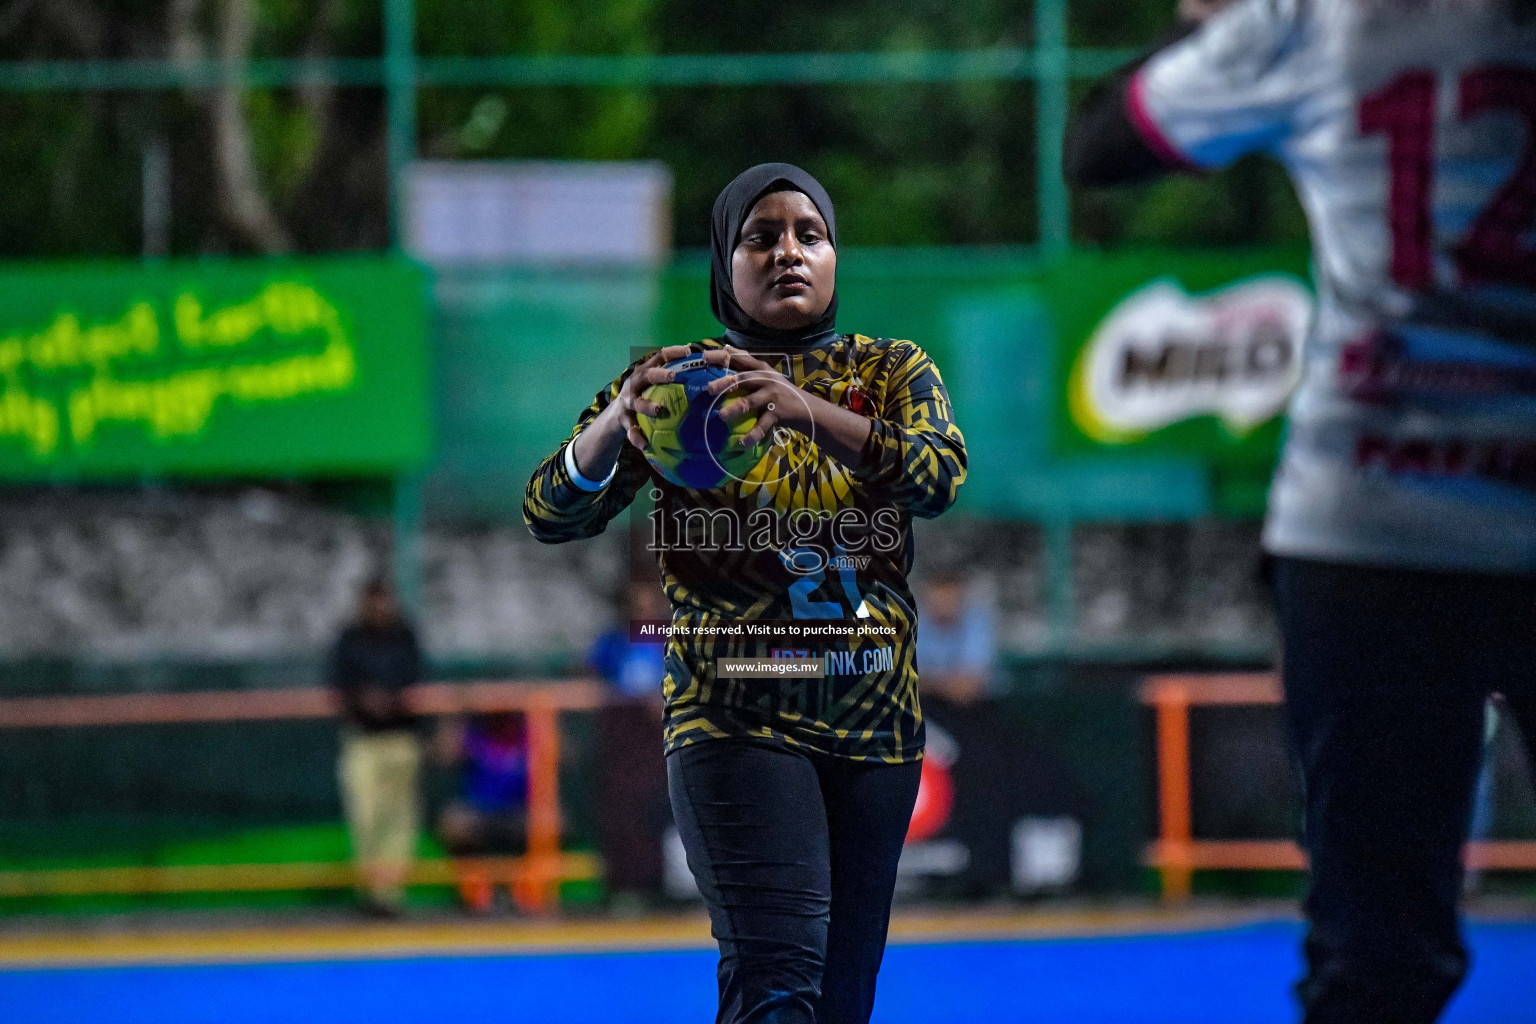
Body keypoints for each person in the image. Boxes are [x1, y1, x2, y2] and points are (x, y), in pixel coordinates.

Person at [1066, 3, 1536, 1022]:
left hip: (1373, 528)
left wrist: (1234, 27)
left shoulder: (1324, 24)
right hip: (1392, 533)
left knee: (1375, 959)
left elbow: (1102, 141)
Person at [524, 163, 967, 1024]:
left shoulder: (889, 369)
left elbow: (939, 476)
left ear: (836, 255)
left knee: (839, 1005)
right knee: (778, 990)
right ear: (724, 262)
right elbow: (549, 511)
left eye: (810, 233)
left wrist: (803, 408)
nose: (788, 253)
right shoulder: (682, 384)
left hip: (876, 725)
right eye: (760, 237)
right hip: (735, 715)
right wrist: (616, 421)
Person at [330, 577, 425, 917]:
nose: (380, 607)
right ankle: (370, 890)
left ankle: (390, 895)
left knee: (399, 818)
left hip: (400, 738)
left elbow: (415, 676)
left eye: (385, 599)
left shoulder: (405, 636)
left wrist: (390, 699)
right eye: (374, 600)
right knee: (366, 815)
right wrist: (364, 700)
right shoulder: (349, 638)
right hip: (363, 740)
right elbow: (338, 681)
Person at [434, 711, 530, 913]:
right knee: (455, 823)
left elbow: (567, 754)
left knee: (550, 823)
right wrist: (455, 713)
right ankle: (477, 892)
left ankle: (523, 892)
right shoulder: (474, 732)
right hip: (480, 811)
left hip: (518, 810)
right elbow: (445, 754)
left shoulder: (529, 730)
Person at [915, 570, 998, 703]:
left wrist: (929, 681)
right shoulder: (917, 625)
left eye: (948, 598)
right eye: (938, 599)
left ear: (960, 598)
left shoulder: (976, 623)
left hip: (978, 707)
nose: (943, 605)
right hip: (927, 706)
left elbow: (968, 687)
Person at [587, 580, 670, 697]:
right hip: (619, 709)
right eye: (638, 609)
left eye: (649, 610)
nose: (643, 616)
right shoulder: (612, 641)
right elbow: (591, 675)